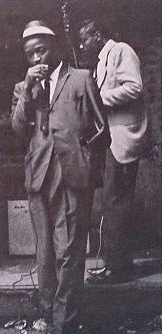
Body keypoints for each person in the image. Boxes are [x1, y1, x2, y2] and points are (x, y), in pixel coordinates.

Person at [11, 20, 106, 334]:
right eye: (30, 55)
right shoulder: (23, 88)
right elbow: (17, 129)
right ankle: (47, 313)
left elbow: (101, 129)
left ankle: (64, 322)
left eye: (42, 50)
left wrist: (85, 162)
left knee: (69, 251)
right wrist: (27, 89)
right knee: (45, 253)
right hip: (38, 176)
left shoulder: (81, 78)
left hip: (71, 175)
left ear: (54, 48)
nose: (37, 58)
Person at [79, 19, 149, 284]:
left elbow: (135, 87)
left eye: (85, 38)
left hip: (123, 138)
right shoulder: (102, 60)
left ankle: (116, 269)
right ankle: (117, 264)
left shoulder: (120, 50)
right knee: (114, 201)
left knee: (115, 201)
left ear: (97, 34)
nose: (82, 45)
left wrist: (99, 99)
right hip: (111, 140)